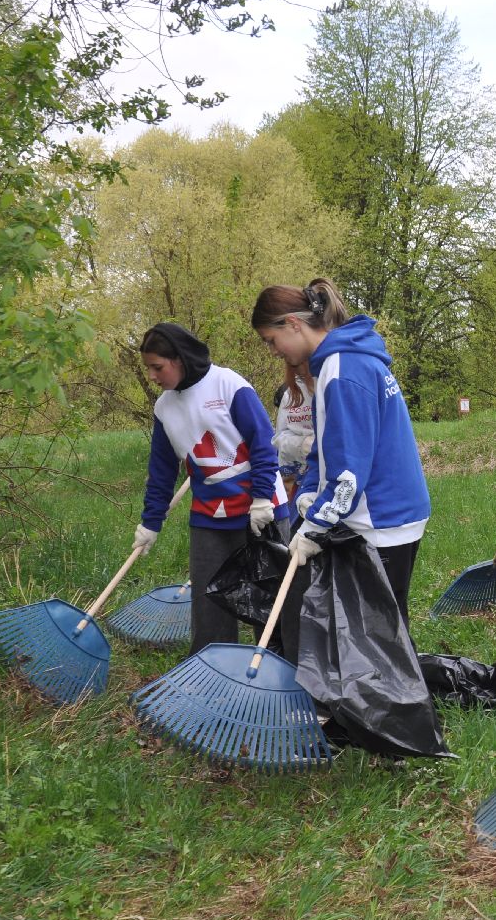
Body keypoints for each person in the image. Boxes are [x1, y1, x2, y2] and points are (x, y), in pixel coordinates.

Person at [251, 278, 430, 632]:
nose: (274, 351)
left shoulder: (343, 369)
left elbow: (349, 473)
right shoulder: (335, 363)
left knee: (379, 640)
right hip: (380, 512)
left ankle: (392, 690)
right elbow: (325, 447)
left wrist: (314, 528)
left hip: (384, 518)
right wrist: (306, 494)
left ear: (293, 323)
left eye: (272, 341)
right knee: (370, 635)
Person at [134, 322, 292, 654]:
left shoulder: (227, 384)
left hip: (260, 511)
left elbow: (263, 444)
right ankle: (211, 676)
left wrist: (263, 498)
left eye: (157, 367)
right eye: (148, 368)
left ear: (178, 359)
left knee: (273, 599)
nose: (152, 375)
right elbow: (162, 472)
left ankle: (282, 668)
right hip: (210, 518)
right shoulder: (164, 408)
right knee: (209, 604)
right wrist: (150, 523)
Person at [272, 361, 315, 502]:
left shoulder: (339, 381)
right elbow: (279, 438)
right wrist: (303, 445)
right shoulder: (290, 392)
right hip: (301, 479)